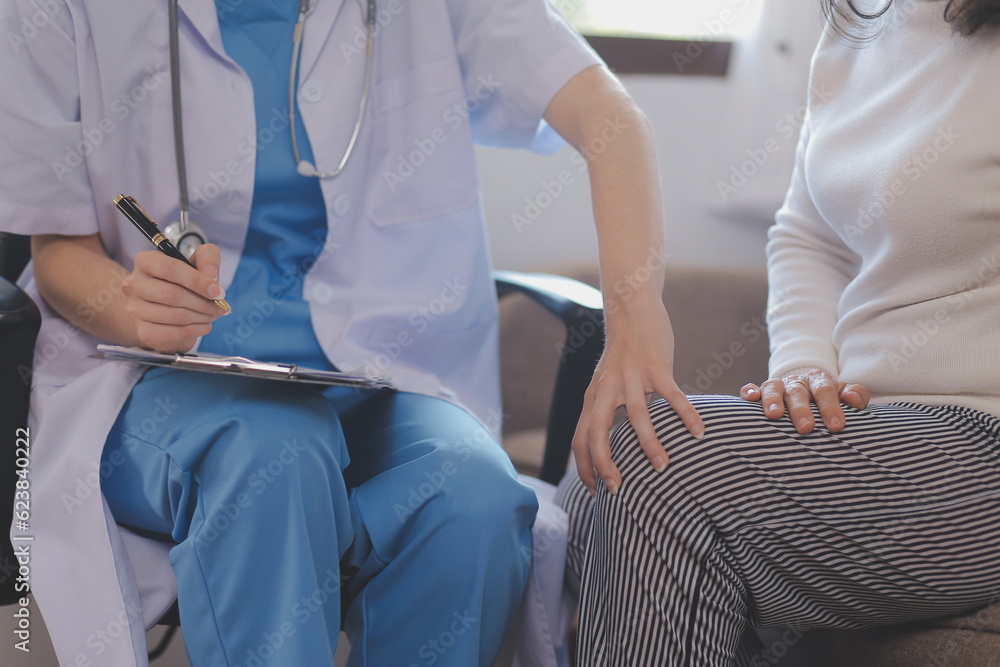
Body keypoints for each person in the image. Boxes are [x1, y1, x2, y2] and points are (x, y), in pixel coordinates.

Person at [0, 0, 706, 665]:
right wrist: (130, 305)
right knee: (272, 453)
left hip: (382, 380)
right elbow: (57, 250)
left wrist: (636, 315)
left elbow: (605, 112)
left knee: (475, 501)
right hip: (156, 379)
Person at [556, 0, 1000, 664]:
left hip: (983, 434)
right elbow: (808, 231)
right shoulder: (865, 24)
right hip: (875, 420)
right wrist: (801, 361)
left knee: (657, 468)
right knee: (600, 472)